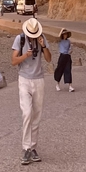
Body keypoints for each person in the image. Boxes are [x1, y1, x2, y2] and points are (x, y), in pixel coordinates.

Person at [11, 18, 52, 164]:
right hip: (24, 79)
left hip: (38, 79)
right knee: (27, 113)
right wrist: (25, 55)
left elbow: (48, 59)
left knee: (37, 115)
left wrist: (44, 46)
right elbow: (13, 61)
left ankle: (33, 147)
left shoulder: (41, 39)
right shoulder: (20, 39)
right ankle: (26, 147)